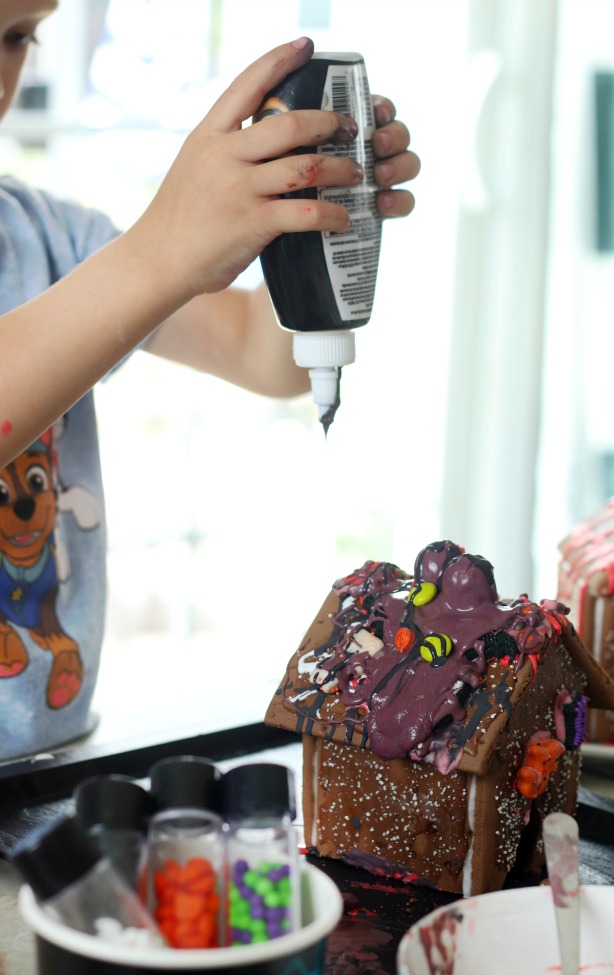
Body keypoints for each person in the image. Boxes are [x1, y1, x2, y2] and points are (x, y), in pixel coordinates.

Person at [0, 0, 420, 760]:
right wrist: (164, 247)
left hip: (51, 769)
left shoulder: (50, 238)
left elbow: (263, 355)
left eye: (16, 37)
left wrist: (312, 220)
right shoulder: (120, 262)